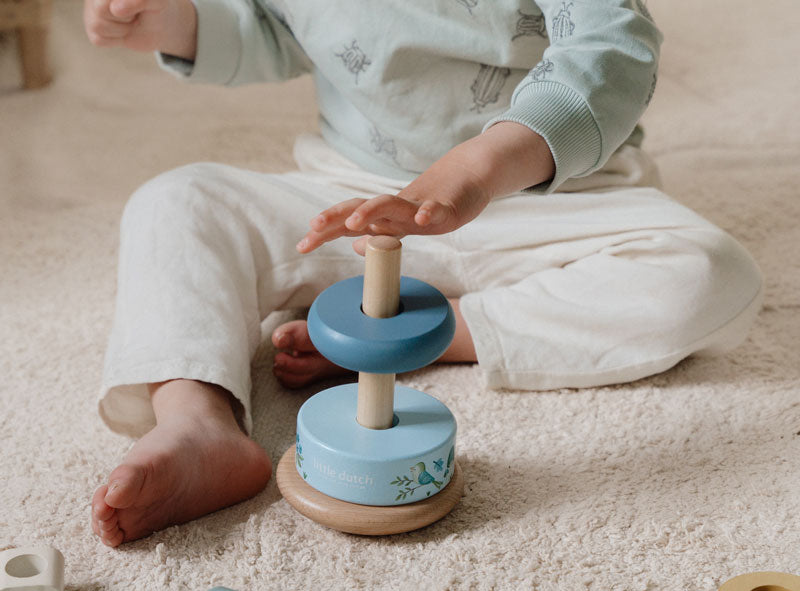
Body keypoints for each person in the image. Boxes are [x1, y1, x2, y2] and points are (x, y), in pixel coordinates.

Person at [84, 0, 763, 547]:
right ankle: (197, 421)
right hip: (355, 200)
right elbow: (271, 26)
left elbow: (611, 51)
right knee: (177, 203)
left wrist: (478, 168)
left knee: (707, 271)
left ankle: (434, 326)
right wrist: (180, 22)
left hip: (544, 198)